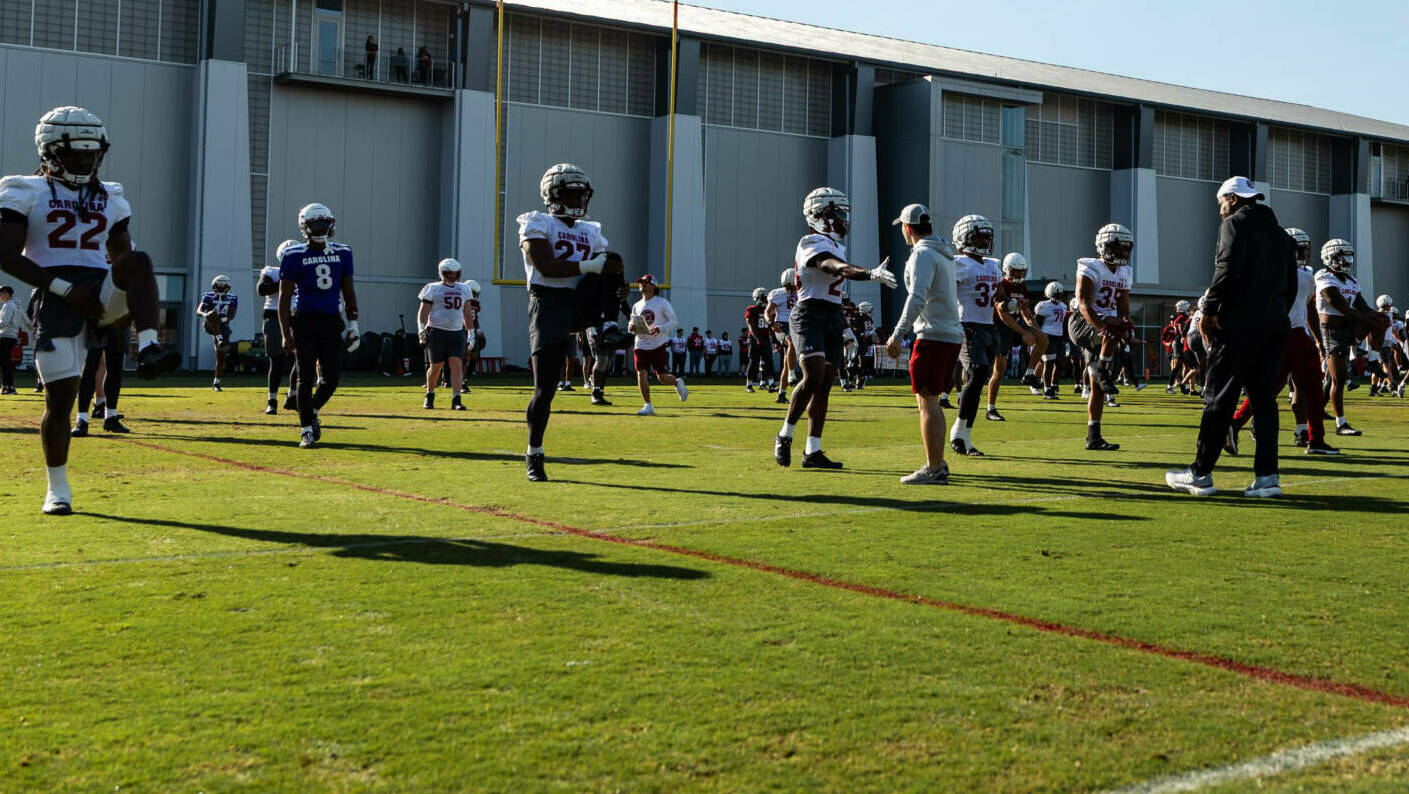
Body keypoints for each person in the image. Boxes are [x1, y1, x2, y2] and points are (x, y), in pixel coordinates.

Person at [0, 106, 182, 514]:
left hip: (99, 291)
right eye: (75, 154)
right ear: (50, 152)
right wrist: (66, 290)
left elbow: (123, 257)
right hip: (55, 296)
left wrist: (123, 310)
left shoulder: (109, 195)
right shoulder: (24, 189)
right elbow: (5, 254)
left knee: (140, 261)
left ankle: (149, 346)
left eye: (92, 153)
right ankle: (57, 488)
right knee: (60, 402)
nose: (86, 161)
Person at [1166, 177, 1296, 497]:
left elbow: (1226, 270)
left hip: (1238, 326)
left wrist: (1209, 310)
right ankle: (1267, 477)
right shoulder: (1282, 235)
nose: (1220, 209)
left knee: (1219, 398)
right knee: (1264, 401)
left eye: (1221, 202)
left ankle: (1201, 473)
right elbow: (1290, 287)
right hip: (1274, 325)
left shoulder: (1234, 224)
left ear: (1234, 199)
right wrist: (1274, 314)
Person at [773, 186, 897, 469]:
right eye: (836, 213)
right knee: (812, 376)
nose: (842, 219)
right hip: (809, 313)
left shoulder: (836, 245)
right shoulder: (811, 241)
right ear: (817, 215)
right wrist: (868, 273)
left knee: (825, 385)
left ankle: (813, 451)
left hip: (832, 314)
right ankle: (785, 435)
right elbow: (831, 266)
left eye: (843, 213)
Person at [517, 163, 616, 482]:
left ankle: (609, 326)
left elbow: (605, 269)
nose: (578, 200)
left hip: (580, 300)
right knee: (545, 388)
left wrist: (616, 291)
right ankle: (534, 452)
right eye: (571, 194)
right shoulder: (538, 222)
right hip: (548, 302)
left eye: (581, 194)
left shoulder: (591, 230)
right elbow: (546, 267)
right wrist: (588, 266)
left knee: (613, 264)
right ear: (553, 195)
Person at [1226, 227, 1337, 455]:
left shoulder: (1262, 272)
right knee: (1313, 390)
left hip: (1272, 336)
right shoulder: (1305, 276)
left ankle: (1234, 424)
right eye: (1299, 249)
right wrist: (1318, 340)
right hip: (1295, 336)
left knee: (1266, 390)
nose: (1303, 254)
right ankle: (1316, 440)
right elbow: (1310, 309)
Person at [885, 203, 960, 484]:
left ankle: (933, 467)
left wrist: (897, 334)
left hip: (932, 334)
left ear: (907, 227)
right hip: (948, 332)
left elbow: (917, 297)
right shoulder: (942, 253)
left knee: (927, 401)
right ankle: (937, 460)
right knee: (931, 401)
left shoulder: (923, 254)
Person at [279, 202, 359, 448]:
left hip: (331, 321)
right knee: (305, 377)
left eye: (324, 223)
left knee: (331, 378)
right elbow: (284, 297)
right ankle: (305, 430)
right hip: (304, 320)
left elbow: (348, 291)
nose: (321, 228)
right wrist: (285, 333)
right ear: (305, 227)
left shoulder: (343, 252)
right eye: (316, 224)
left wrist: (353, 323)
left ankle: (311, 411)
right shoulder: (293, 255)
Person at [1068, 223, 1134, 452]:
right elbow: (1084, 304)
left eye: (1125, 248)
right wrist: (1104, 328)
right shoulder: (1091, 266)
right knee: (1114, 329)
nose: (1122, 252)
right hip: (1083, 322)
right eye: (1116, 247)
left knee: (1097, 387)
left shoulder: (1125, 272)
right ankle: (1102, 369)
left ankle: (1093, 436)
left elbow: (1123, 307)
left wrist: (1126, 324)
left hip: (1104, 327)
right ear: (1103, 246)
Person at [1315, 237, 1387, 436]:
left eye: (1348, 257)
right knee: (1338, 379)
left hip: (1347, 328)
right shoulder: (1324, 276)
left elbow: (1363, 307)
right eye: (1343, 257)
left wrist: (1378, 317)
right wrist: (1369, 320)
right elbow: (1339, 305)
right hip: (1331, 331)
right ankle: (1341, 424)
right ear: (1330, 257)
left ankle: (1371, 357)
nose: (1347, 262)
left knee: (1381, 319)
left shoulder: (1352, 281)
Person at [948, 214, 1002, 456]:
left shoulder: (992, 265)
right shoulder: (958, 263)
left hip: (988, 326)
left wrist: (1008, 302)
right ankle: (958, 433)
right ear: (963, 239)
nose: (984, 242)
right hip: (967, 325)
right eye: (978, 237)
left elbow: (999, 295)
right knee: (977, 373)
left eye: (986, 238)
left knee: (979, 380)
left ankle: (965, 435)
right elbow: (946, 293)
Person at [988, 252, 1045, 418]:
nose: (1019, 274)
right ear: (1007, 270)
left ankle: (1029, 374)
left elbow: (1025, 311)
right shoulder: (1001, 285)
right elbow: (1003, 314)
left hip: (1016, 324)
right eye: (1016, 271)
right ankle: (991, 408)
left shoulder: (1022, 286)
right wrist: (1023, 333)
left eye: (1021, 271)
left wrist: (1034, 328)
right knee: (999, 370)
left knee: (1043, 338)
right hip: (1001, 328)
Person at [418, 258, 476, 411]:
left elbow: (467, 312)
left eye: (455, 273)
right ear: (442, 273)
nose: (452, 275)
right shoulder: (432, 288)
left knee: (456, 365)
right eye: (449, 273)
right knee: (436, 366)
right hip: (437, 332)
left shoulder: (464, 288)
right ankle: (429, 395)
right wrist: (421, 328)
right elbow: (423, 311)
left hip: (456, 333)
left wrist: (471, 332)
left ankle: (456, 399)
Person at [627, 274, 688, 414]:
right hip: (641, 344)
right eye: (641, 282)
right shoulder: (637, 305)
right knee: (641, 373)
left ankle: (677, 382)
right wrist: (630, 327)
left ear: (653, 286)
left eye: (645, 282)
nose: (641, 285)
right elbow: (632, 322)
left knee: (662, 377)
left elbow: (674, 321)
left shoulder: (662, 302)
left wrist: (660, 328)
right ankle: (648, 405)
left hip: (658, 344)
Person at [258, 239, 298, 414]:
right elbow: (262, 289)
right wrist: (285, 282)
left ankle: (292, 396)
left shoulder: (305, 272)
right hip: (274, 315)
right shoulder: (272, 272)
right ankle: (272, 400)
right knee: (276, 360)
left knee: (301, 359)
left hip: (298, 315)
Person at [71, 323, 129, 436]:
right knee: (90, 367)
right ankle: (82, 419)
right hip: (97, 322)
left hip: (119, 323)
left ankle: (110, 416)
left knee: (115, 369)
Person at [196, 273, 238, 391]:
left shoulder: (232, 298)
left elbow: (231, 315)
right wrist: (205, 315)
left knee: (220, 356)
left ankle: (217, 382)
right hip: (209, 323)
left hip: (223, 325)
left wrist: (221, 320)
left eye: (223, 287)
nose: (220, 289)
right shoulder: (208, 296)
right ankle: (219, 337)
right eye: (218, 286)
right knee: (211, 314)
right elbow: (199, 311)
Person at [765, 268, 799, 402]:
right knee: (791, 341)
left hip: (796, 324)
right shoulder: (778, 294)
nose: (791, 288)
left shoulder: (801, 292)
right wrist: (771, 323)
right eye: (789, 285)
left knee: (786, 361)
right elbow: (767, 312)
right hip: (781, 326)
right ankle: (792, 374)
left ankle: (781, 394)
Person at [1032, 281, 1068, 399]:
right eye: (1057, 293)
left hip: (1059, 337)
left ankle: (1054, 385)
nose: (1059, 295)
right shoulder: (1044, 305)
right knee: (1049, 363)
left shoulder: (1063, 306)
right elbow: (1036, 323)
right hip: (1047, 336)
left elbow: (1063, 323)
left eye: (1060, 293)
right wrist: (1038, 338)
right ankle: (1047, 389)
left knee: (1061, 362)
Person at [0, 284, 32, 394]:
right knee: (6, 363)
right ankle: (7, 387)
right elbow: (26, 321)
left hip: (5, 337)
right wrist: (33, 329)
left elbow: (4, 322)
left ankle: (9, 387)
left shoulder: (8, 305)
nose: (0, 296)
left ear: (6, 294)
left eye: (1, 294)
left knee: (5, 364)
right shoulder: (16, 305)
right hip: (12, 337)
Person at [744, 289, 773, 391]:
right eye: (764, 297)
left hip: (765, 337)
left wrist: (774, 339)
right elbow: (750, 326)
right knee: (754, 361)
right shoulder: (751, 309)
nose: (766, 299)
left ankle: (771, 384)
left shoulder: (768, 310)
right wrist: (757, 338)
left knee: (768, 361)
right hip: (754, 337)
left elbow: (771, 326)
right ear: (758, 298)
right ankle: (749, 385)